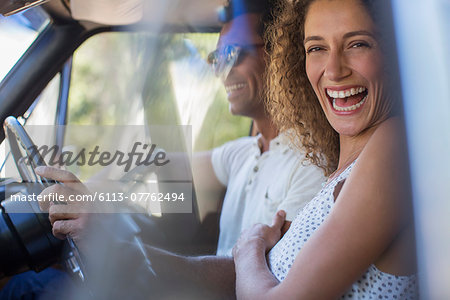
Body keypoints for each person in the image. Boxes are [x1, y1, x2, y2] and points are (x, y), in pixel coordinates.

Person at [0, 0, 326, 299]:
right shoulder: (246, 151)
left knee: (24, 289)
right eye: (215, 58)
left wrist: (119, 247)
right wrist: (92, 193)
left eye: (232, 54)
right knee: (25, 285)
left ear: (280, 56)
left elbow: (242, 277)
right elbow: (157, 161)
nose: (219, 70)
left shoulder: (313, 167)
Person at [232, 0, 418, 298]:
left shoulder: (395, 149)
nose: (334, 70)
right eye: (316, 48)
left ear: (396, 53)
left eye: (358, 44)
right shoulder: (344, 169)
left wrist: (248, 250)